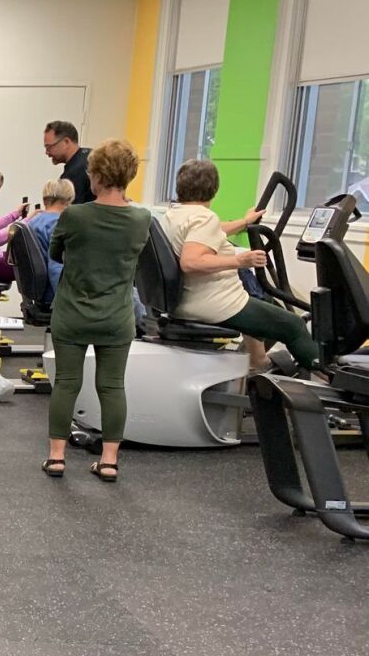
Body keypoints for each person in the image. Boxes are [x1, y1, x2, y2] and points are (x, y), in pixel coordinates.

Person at [43, 140, 153, 481]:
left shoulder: (75, 215)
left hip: (73, 313)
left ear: (98, 176)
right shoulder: (141, 218)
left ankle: (57, 458)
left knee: (66, 384)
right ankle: (108, 461)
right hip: (116, 317)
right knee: (111, 386)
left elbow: (56, 254)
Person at [162, 158, 324, 374]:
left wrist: (246, 221)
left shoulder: (176, 214)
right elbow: (191, 262)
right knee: (293, 325)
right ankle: (330, 378)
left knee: (268, 302)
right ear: (214, 188)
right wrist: (239, 261)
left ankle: (257, 361)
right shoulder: (203, 218)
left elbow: (215, 230)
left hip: (191, 300)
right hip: (217, 304)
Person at [26, 178, 76, 301]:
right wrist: (64, 301)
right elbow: (56, 266)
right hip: (53, 295)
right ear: (68, 200)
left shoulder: (33, 222)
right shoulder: (59, 224)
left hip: (39, 293)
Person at [45, 120, 92, 204]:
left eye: (49, 147)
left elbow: (70, 213)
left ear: (66, 142)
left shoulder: (74, 174)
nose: (47, 152)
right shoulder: (91, 155)